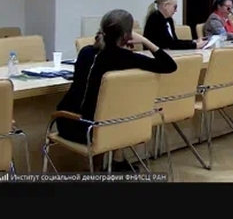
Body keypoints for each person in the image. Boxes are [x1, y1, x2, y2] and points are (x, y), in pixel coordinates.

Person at [56, 9, 177, 145]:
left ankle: (109, 156)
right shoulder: (128, 58)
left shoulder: (86, 52)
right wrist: (144, 40)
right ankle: (113, 156)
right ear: (127, 35)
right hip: (115, 126)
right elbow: (169, 65)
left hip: (78, 125)